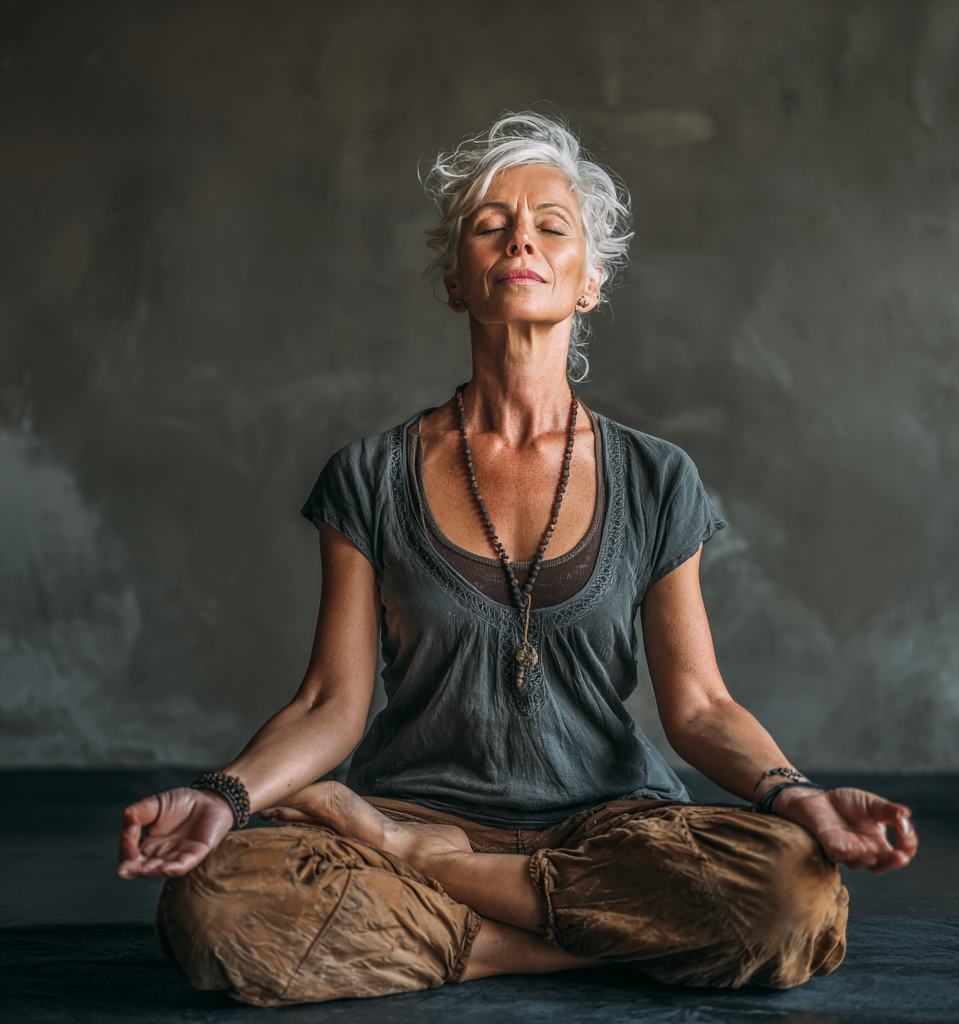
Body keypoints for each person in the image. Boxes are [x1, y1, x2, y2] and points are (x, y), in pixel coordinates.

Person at [118, 112, 918, 1008]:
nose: (521, 240)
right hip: (415, 806)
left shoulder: (657, 476)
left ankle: (445, 899)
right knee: (215, 904)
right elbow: (327, 704)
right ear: (455, 280)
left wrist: (799, 798)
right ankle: (597, 942)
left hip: (612, 831)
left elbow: (699, 706)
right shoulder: (369, 475)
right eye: (491, 225)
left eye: (551, 225)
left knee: (792, 892)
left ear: (591, 280)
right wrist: (223, 796)